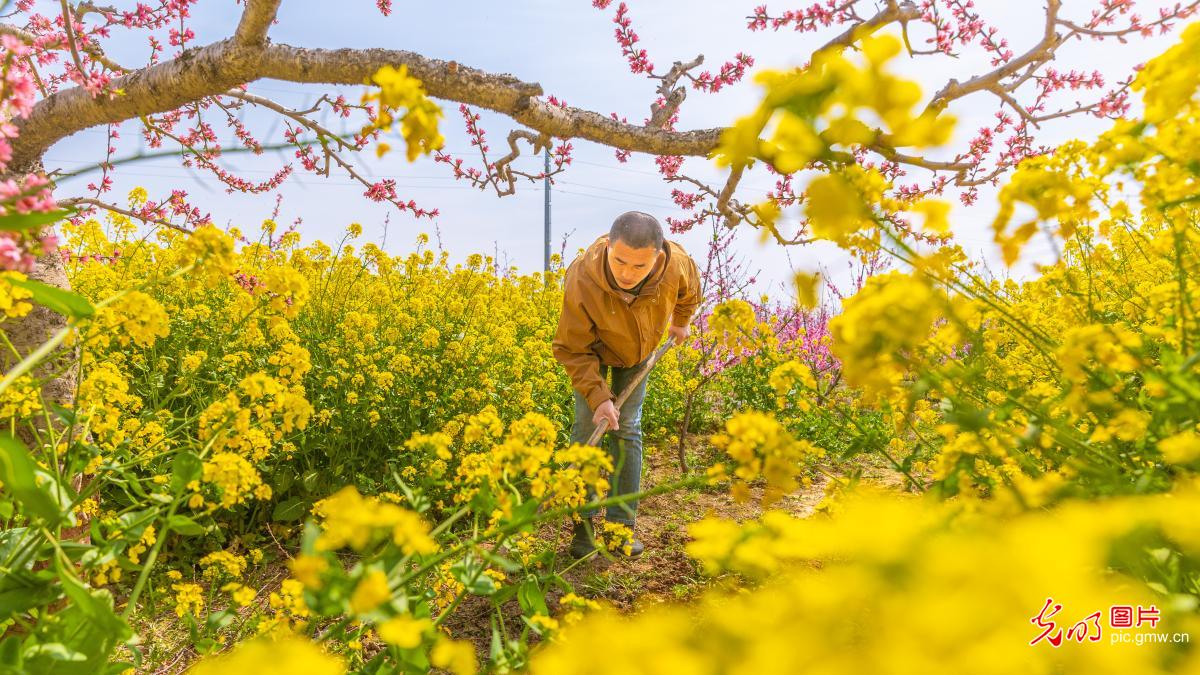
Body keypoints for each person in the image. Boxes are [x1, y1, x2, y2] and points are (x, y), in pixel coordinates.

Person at [551, 211, 702, 558]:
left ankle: (621, 529)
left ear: (658, 258)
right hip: (591, 350)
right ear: (607, 247)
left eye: (639, 267)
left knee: (627, 428)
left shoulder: (676, 262)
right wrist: (599, 396)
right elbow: (573, 348)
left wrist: (681, 320)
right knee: (588, 428)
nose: (626, 274)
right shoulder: (582, 276)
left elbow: (690, 290)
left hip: (638, 352)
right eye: (619, 262)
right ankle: (582, 528)